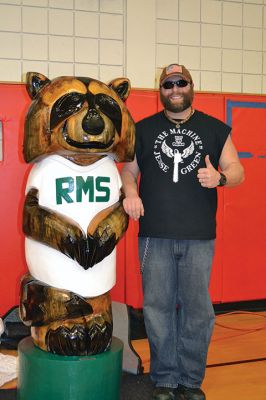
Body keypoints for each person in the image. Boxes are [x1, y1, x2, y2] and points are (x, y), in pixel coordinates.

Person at [121, 63, 244, 400]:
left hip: (198, 235)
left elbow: (237, 170)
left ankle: (190, 381)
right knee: (157, 307)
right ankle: (165, 380)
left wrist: (219, 178)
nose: (174, 89)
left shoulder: (215, 129)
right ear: (160, 89)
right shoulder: (142, 130)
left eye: (181, 82)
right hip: (154, 235)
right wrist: (130, 193)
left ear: (191, 86)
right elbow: (128, 171)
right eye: (168, 84)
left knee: (197, 311)